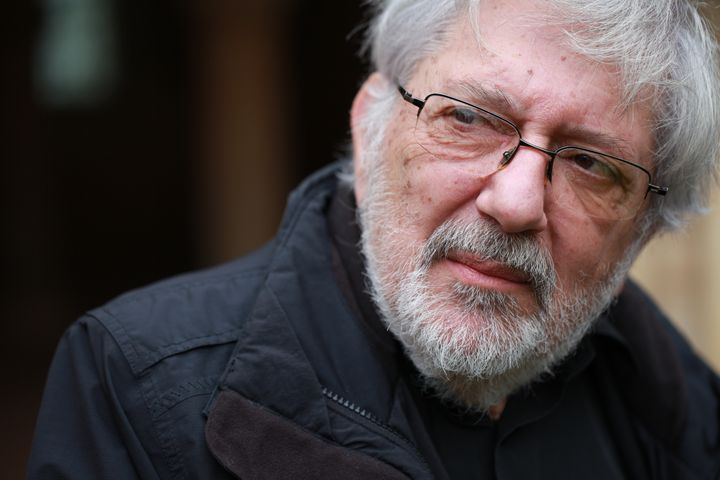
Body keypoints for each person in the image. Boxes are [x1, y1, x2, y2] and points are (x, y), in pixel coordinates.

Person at [28, 0, 720, 478]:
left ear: (643, 229)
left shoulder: (675, 409)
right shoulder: (137, 382)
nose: (514, 202)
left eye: (591, 163)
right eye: (470, 118)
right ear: (369, 128)